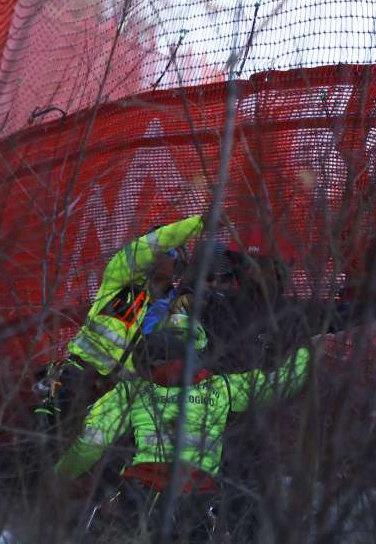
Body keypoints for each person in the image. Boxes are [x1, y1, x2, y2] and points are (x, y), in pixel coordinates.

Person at [53, 324, 314, 542]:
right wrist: (306, 351)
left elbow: (90, 444)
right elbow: (279, 385)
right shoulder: (219, 388)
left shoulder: (132, 392)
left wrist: (58, 476)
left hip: (140, 495)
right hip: (197, 498)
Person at [36, 215, 206, 432]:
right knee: (48, 432)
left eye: (171, 254)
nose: (159, 256)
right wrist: (200, 223)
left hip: (120, 392)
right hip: (80, 372)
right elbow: (150, 245)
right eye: (161, 250)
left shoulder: (177, 304)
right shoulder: (120, 276)